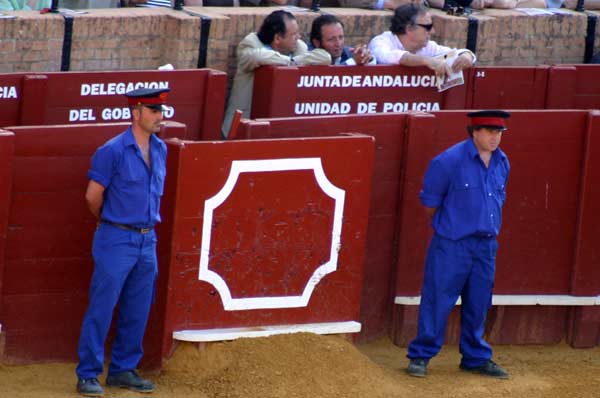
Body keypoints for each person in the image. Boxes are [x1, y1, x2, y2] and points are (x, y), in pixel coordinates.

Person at [75, 88, 169, 397]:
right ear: (136, 112)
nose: (160, 116)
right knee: (102, 306)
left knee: (138, 307)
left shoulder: (160, 149)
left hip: (147, 238)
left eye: (162, 110)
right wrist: (107, 222)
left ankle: (123, 370)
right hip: (116, 236)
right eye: (154, 110)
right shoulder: (112, 150)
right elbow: (92, 196)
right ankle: (88, 373)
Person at [406, 110, 511, 379]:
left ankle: (475, 358)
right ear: (474, 131)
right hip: (452, 244)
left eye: (498, 132)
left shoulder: (502, 162)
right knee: (438, 298)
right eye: (489, 132)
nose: (495, 137)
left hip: (486, 245)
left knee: (479, 302)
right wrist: (451, 227)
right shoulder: (448, 161)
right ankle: (421, 355)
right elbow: (430, 202)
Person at [221, 10, 331, 137]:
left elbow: (324, 57)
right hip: (240, 126)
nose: (299, 37)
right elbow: (258, 56)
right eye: (294, 34)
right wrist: (291, 62)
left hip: (275, 128)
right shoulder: (251, 43)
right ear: (278, 38)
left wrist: (293, 61)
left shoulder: (297, 47)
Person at [368, 4, 475, 80]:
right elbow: (387, 56)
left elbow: (458, 53)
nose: (432, 32)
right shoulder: (381, 41)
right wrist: (425, 60)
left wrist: (467, 56)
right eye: (428, 27)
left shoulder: (427, 46)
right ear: (409, 28)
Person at [309, 14, 375, 66]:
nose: (338, 44)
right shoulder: (308, 56)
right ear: (316, 43)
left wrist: (366, 57)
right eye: (331, 39)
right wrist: (353, 62)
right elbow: (329, 76)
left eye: (341, 37)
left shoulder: (347, 52)